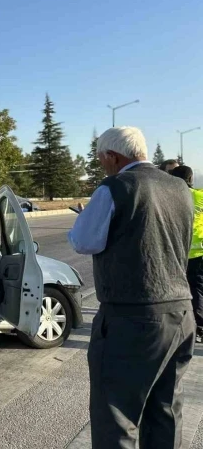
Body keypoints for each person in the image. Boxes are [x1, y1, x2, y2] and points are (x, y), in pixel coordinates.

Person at [68, 126, 194, 448]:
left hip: (132, 318)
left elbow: (83, 241)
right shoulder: (180, 188)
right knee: (165, 413)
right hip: (180, 313)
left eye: (101, 160)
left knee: (117, 419)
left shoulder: (116, 187)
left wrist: (86, 217)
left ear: (113, 156)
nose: (102, 166)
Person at [170, 165, 203, 343]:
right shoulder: (200, 196)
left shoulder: (173, 198)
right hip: (200, 250)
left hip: (181, 252)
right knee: (198, 288)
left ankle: (194, 327)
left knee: (186, 290)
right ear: (191, 179)